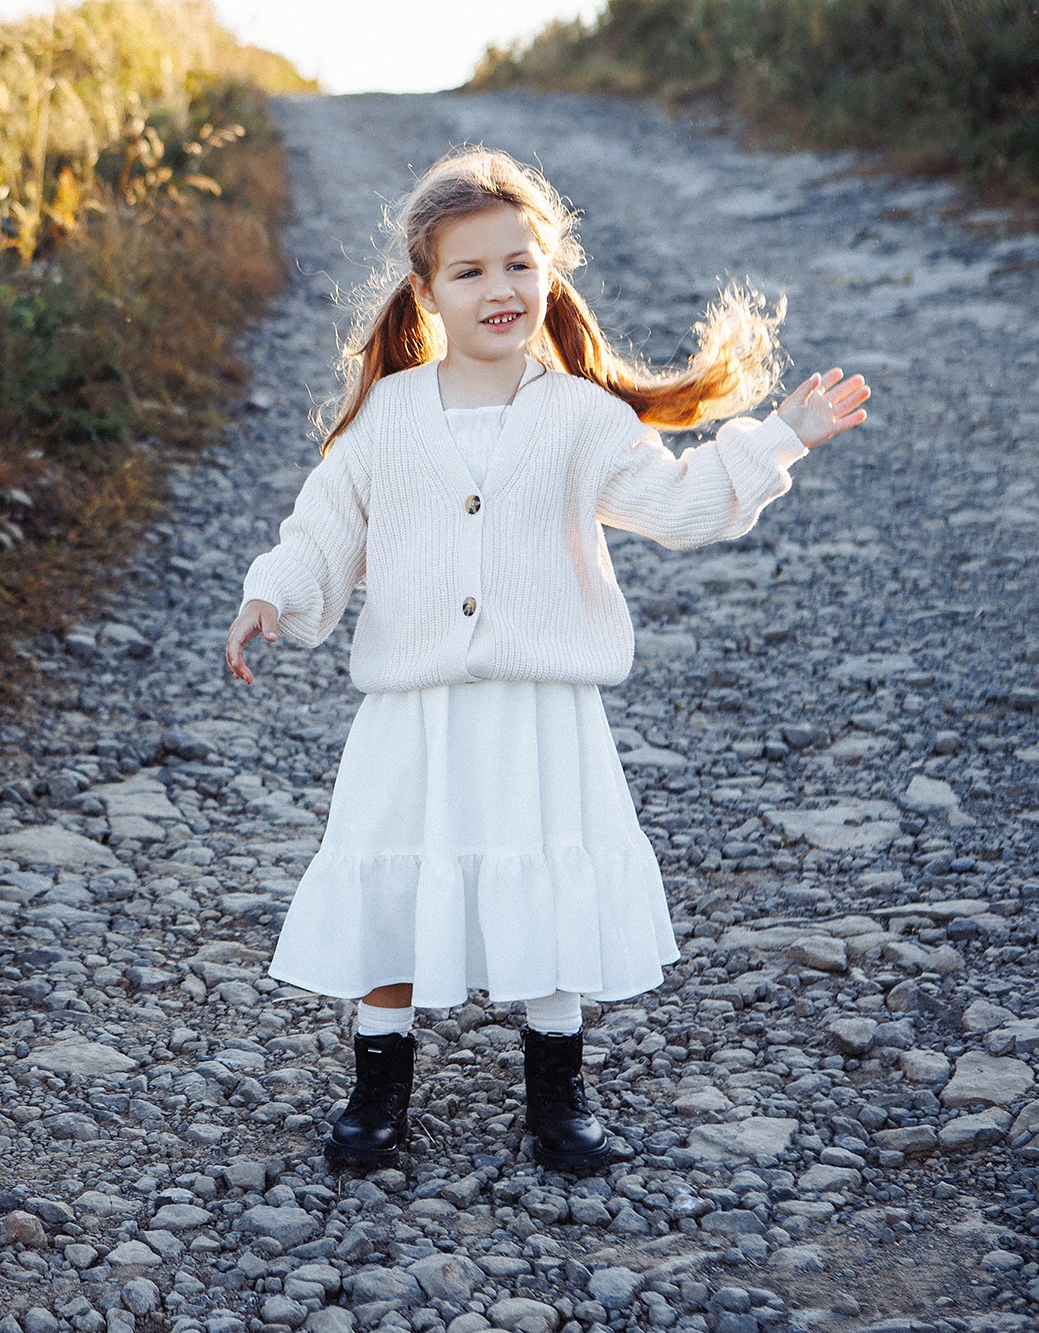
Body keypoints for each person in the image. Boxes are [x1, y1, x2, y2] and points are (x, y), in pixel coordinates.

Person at [223, 145, 869, 1174]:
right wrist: (272, 593)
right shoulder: (388, 418)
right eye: (469, 271)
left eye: (519, 264)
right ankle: (377, 1087)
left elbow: (680, 506)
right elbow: (320, 532)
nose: (499, 288)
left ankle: (555, 1093)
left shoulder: (579, 418)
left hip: (541, 709)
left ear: (550, 272)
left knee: (543, 881)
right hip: (414, 710)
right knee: (395, 879)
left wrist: (775, 439)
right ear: (426, 291)